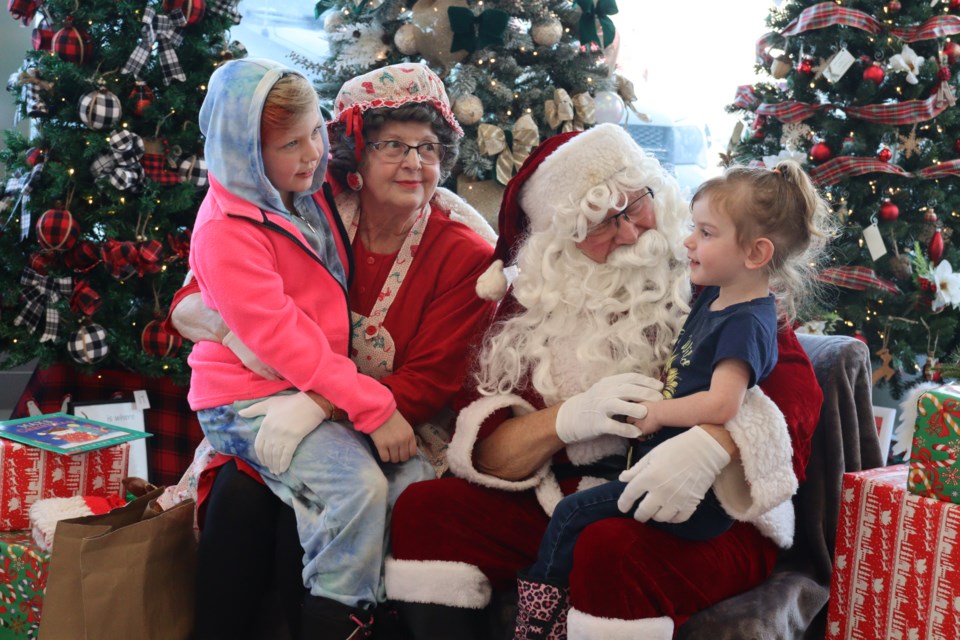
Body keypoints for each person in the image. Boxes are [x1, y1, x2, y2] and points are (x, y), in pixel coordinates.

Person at [386, 124, 824, 640]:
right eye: (600, 222)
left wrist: (712, 445)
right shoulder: (530, 307)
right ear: (560, 242)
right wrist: (569, 419)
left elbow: (797, 397)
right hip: (570, 500)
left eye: (635, 205)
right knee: (428, 510)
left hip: (703, 510)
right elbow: (483, 452)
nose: (632, 233)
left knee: (609, 549)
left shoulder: (715, 274)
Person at [168, 62, 496, 639]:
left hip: (394, 418)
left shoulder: (461, 250)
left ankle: (341, 621)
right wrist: (224, 330)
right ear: (358, 158)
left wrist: (322, 403)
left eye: (427, 148)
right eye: (393, 145)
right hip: (274, 399)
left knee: (380, 492)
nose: (414, 163)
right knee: (242, 497)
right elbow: (203, 289)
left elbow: (432, 380)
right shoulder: (311, 204)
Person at [512, 159, 833, 638]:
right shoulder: (713, 290)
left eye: (635, 207)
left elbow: (736, 403)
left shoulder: (745, 318)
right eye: (601, 222)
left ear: (755, 252)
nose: (685, 241)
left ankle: (538, 622)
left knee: (576, 518)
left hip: (699, 497)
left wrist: (672, 422)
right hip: (638, 468)